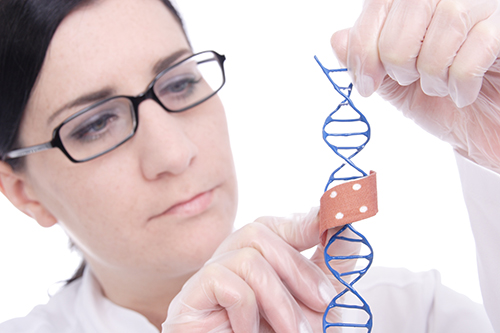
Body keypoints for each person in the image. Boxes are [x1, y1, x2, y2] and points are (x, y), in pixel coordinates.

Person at [0, 0, 498, 332]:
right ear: (23, 192)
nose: (174, 154)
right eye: (94, 125)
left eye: (178, 84)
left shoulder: (406, 312)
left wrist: (495, 148)